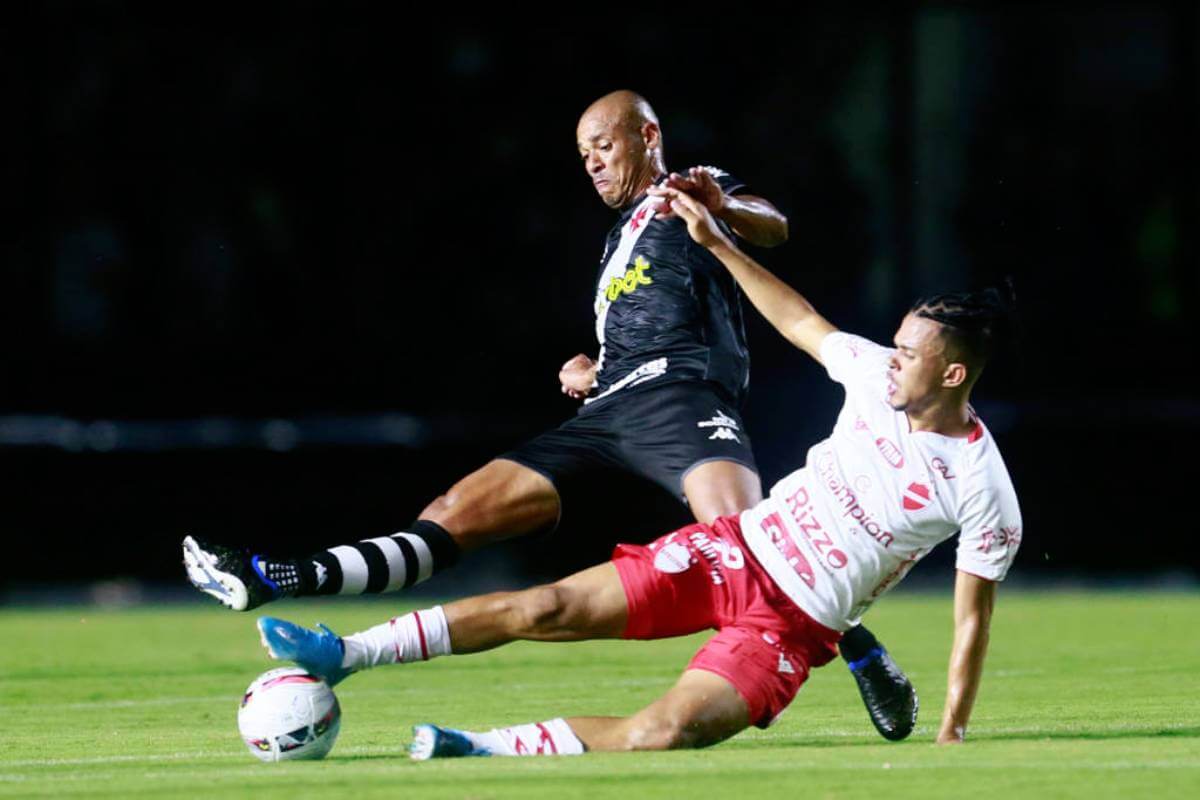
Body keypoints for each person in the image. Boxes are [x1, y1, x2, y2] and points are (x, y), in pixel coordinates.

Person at [183, 90, 916, 739]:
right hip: (608, 409)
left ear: (648, 137)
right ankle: (280, 576)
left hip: (679, 400)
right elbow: (641, 319)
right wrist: (594, 364)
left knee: (746, 541)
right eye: (583, 153)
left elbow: (775, 225)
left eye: (604, 144)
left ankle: (859, 650)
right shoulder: (614, 241)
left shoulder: (689, 191)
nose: (593, 162)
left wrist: (721, 209)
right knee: (455, 511)